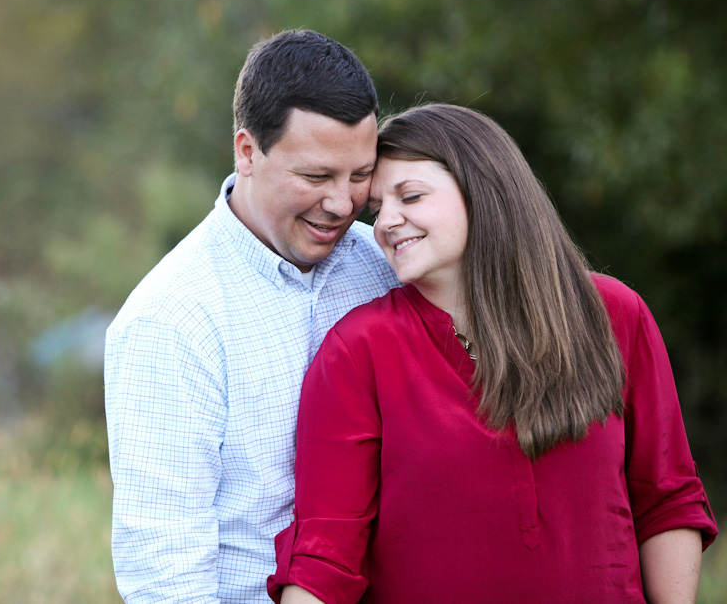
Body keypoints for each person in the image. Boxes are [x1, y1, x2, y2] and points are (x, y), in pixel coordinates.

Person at [269, 103, 718, 604]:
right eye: (377, 208)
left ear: (482, 188)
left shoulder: (614, 315)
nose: (385, 223)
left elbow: (666, 497)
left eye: (410, 196)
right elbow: (326, 553)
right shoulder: (358, 350)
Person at [105, 29, 401, 603]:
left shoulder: (388, 265)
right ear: (247, 151)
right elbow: (166, 572)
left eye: (359, 175)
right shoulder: (170, 320)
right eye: (316, 177)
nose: (342, 203)